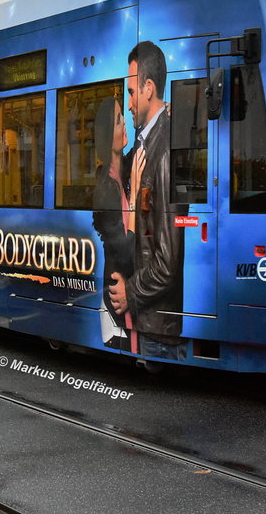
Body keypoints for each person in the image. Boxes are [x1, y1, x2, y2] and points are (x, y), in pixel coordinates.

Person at [108, 41, 186, 361]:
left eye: (130, 92)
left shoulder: (165, 152)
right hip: (149, 324)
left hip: (158, 325)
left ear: (149, 88)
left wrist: (131, 294)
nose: (128, 104)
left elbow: (167, 263)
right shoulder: (147, 143)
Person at [92, 97, 138, 352]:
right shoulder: (106, 188)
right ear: (109, 135)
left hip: (125, 300)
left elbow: (139, 150)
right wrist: (136, 200)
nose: (125, 126)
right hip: (116, 309)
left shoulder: (119, 173)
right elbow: (123, 248)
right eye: (120, 121)